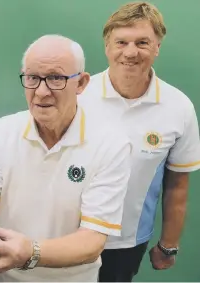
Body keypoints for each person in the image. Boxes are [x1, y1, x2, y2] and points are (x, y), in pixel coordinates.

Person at [0, 34, 132, 282]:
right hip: (2, 277)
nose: (42, 92)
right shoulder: (1, 132)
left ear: (82, 83)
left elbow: (92, 240)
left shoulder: (111, 144)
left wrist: (30, 252)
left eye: (56, 78)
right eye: (32, 78)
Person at [77, 2, 200, 282]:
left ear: (157, 46)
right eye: (122, 42)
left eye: (142, 42)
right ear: (107, 47)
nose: (131, 52)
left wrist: (169, 245)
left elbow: (178, 186)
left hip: (126, 244)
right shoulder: (77, 97)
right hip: (68, 234)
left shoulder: (179, 107)